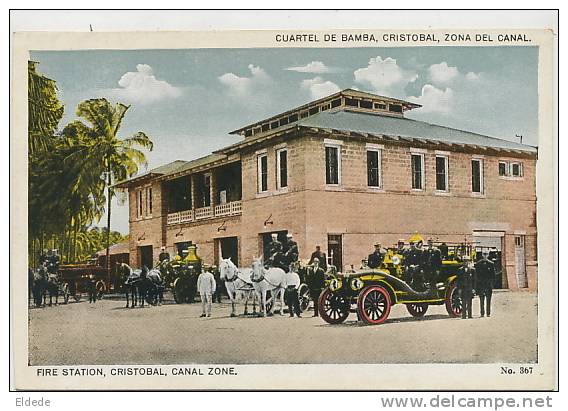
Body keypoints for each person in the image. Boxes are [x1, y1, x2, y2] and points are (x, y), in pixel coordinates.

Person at [475, 250, 496, 317]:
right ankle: (482, 313)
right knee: (481, 299)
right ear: (482, 255)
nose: (485, 256)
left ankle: (488, 313)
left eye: (486, 254)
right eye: (484, 254)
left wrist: (492, 285)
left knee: (488, 299)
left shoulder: (491, 264)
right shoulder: (478, 264)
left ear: (488, 255)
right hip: (481, 284)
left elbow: (493, 276)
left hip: (488, 285)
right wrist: (477, 285)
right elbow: (476, 276)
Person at [457, 255, 476, 319]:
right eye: (464, 261)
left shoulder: (472, 270)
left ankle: (470, 315)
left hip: (469, 288)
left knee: (469, 302)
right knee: (464, 302)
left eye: (467, 261)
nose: (465, 263)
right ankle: (464, 315)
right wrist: (459, 289)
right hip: (463, 288)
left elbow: (474, 280)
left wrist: (474, 288)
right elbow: (458, 280)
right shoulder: (460, 270)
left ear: (469, 262)